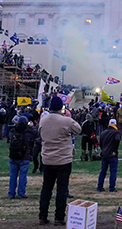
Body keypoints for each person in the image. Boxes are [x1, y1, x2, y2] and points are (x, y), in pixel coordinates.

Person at [38, 96, 81, 225]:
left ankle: (42, 216)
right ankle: (59, 217)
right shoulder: (66, 121)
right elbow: (78, 129)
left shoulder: (43, 121)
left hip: (47, 159)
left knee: (46, 188)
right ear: (61, 107)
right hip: (63, 160)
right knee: (62, 189)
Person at [8, 116, 36, 199]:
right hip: (25, 156)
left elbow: (10, 137)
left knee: (13, 176)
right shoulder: (28, 132)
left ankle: (11, 193)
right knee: (23, 176)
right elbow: (36, 135)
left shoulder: (13, 131)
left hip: (13, 156)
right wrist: (32, 126)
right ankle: (21, 193)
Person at [97, 118, 121, 192]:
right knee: (113, 171)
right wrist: (114, 150)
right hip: (112, 154)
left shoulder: (103, 132)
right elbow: (117, 140)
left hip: (104, 154)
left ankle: (100, 186)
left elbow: (100, 143)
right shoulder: (116, 132)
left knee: (103, 171)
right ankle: (111, 187)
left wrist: (103, 149)